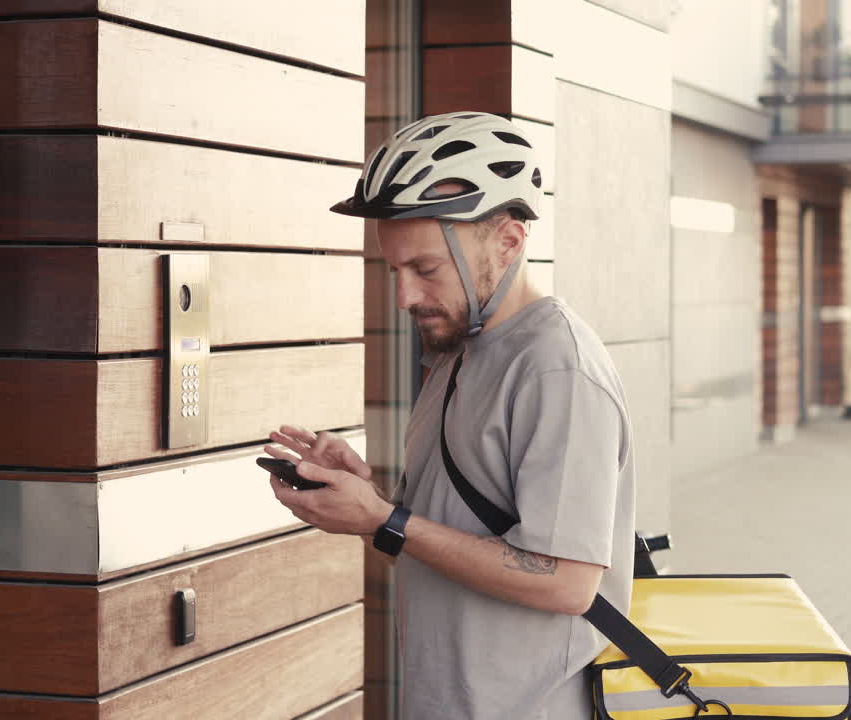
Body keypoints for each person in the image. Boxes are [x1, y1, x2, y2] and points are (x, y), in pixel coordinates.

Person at [264, 111, 637, 719]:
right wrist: (367, 502)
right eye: (397, 271)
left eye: (426, 270)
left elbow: (567, 581)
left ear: (509, 242)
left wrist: (386, 519)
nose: (406, 297)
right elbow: (447, 539)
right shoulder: (459, 352)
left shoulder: (556, 367)